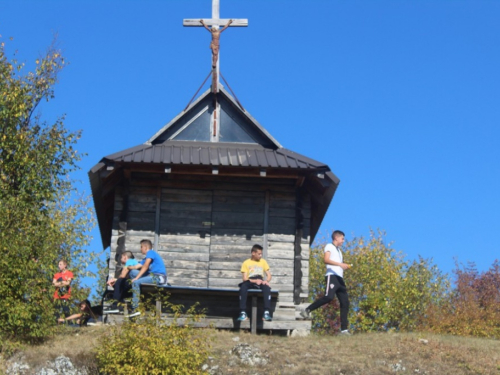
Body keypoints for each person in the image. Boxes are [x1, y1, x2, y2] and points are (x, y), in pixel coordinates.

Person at [300, 230, 351, 335]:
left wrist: (343, 266)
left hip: (340, 279)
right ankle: (307, 310)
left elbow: (337, 264)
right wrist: (340, 264)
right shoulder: (329, 246)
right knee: (328, 297)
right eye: (342, 239)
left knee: (345, 302)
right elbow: (326, 260)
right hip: (331, 277)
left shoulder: (339, 251)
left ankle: (344, 330)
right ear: (336, 237)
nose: (343, 241)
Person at [128, 239, 168, 317]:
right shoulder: (146, 258)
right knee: (132, 272)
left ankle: (135, 308)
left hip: (158, 278)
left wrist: (137, 278)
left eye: (141, 247)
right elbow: (136, 267)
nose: (140, 249)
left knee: (136, 282)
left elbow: (145, 266)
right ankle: (137, 293)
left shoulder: (151, 253)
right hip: (151, 276)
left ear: (146, 247)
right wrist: (127, 267)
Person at [237, 244, 272, 322]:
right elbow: (245, 278)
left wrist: (266, 281)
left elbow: (269, 275)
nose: (260, 255)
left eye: (261, 254)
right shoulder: (246, 263)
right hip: (250, 280)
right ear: (253, 253)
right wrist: (255, 281)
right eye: (259, 254)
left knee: (267, 288)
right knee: (243, 287)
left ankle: (266, 312)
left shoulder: (263, 262)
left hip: (260, 279)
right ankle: (242, 312)